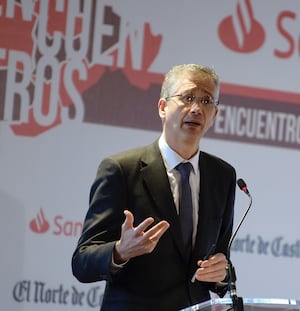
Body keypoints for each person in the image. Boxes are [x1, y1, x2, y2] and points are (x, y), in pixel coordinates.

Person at [72, 64, 236, 310]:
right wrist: (119, 251)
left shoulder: (222, 176)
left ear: (215, 114)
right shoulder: (121, 169)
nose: (196, 109)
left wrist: (222, 274)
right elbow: (82, 261)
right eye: (188, 97)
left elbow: (220, 261)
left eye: (206, 101)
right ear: (162, 107)